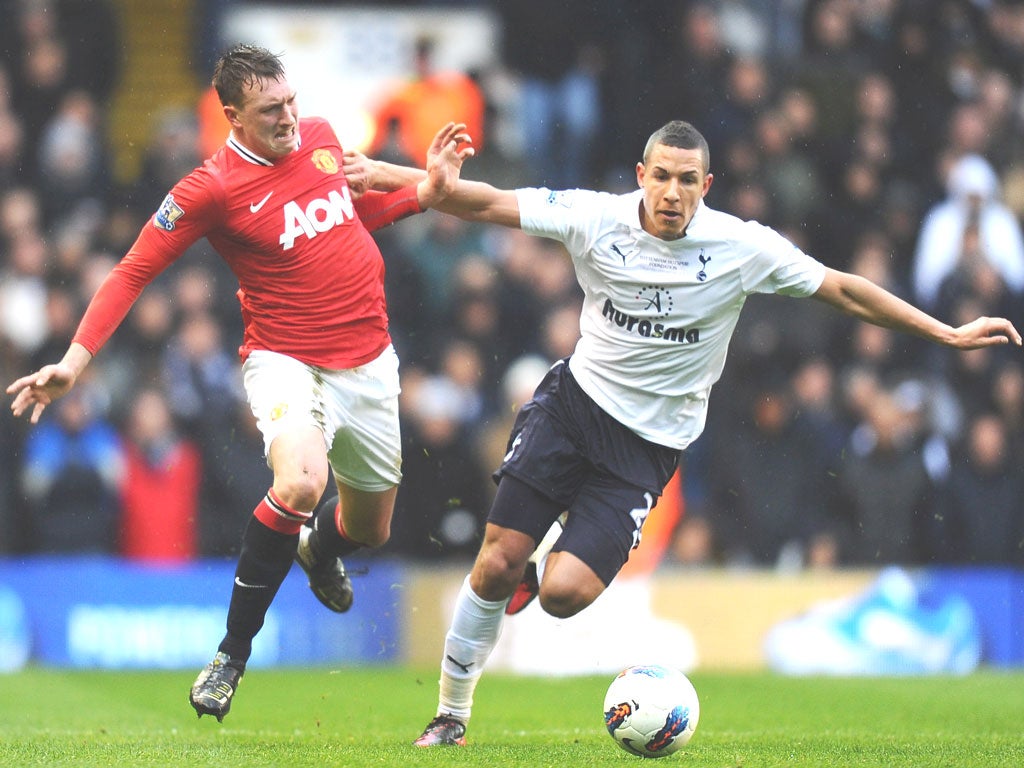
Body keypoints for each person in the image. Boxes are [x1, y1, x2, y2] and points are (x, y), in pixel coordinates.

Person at [344, 119, 1022, 747]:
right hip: (572, 408)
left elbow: (841, 289)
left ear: (707, 185)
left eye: (687, 180)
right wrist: (384, 171)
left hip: (644, 449)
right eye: (661, 176)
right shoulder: (595, 217)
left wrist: (944, 330)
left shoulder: (739, 246)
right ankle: (451, 716)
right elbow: (484, 201)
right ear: (641, 174)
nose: (672, 192)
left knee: (562, 596)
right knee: (493, 562)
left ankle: (537, 563)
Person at [6, 44, 473, 721]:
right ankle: (231, 654)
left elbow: (347, 217)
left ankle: (321, 549)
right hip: (284, 357)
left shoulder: (319, 138)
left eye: (290, 102)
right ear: (232, 116)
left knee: (368, 528)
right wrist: (74, 362)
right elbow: (132, 270)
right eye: (270, 111)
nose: (289, 118)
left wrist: (419, 198)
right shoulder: (210, 188)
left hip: (369, 361)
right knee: (300, 483)